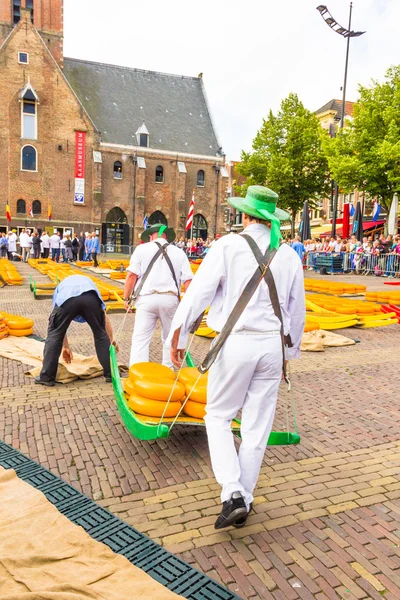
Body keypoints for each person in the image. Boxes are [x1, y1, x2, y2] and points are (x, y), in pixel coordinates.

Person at [168, 185, 305, 529]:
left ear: (245, 214)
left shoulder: (228, 246)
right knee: (257, 426)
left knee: (217, 415)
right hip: (271, 345)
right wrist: (290, 351)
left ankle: (232, 492)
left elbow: (198, 294)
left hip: (236, 342)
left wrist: (179, 334)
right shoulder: (287, 254)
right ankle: (244, 495)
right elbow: (296, 310)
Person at [123, 223, 193, 368]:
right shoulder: (179, 252)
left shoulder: (141, 249)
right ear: (166, 236)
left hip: (146, 299)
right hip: (170, 299)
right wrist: (189, 304)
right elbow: (188, 281)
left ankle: (138, 372)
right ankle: (168, 370)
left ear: (151, 236)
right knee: (170, 338)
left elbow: (131, 276)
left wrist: (126, 298)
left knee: (141, 338)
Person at [35, 275, 116, 387]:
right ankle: (110, 374)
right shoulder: (90, 283)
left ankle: (47, 377)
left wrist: (65, 347)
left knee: (54, 334)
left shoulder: (60, 289)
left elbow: (58, 330)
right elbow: (104, 316)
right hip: (91, 298)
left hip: (67, 300)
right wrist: (111, 339)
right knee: (100, 334)